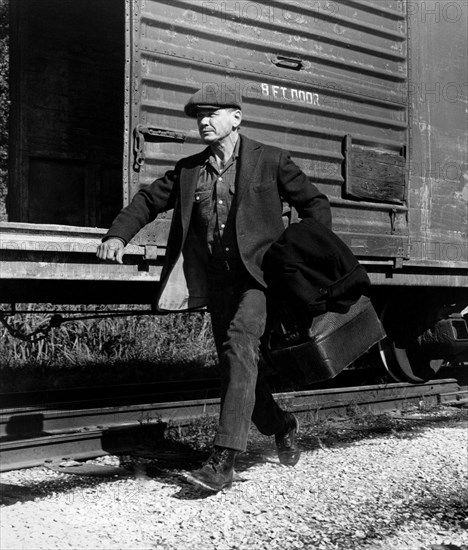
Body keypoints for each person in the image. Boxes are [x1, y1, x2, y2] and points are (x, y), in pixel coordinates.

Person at [97, 83, 332, 492]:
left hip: (259, 279)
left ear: (236, 118)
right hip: (218, 281)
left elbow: (316, 206)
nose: (203, 122)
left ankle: (223, 461)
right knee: (236, 362)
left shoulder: (271, 160)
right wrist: (118, 236)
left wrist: (300, 251)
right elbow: (148, 200)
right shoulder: (190, 170)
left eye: (212, 114)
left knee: (240, 345)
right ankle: (281, 423)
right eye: (198, 117)